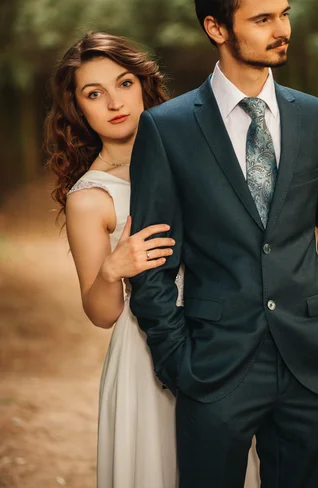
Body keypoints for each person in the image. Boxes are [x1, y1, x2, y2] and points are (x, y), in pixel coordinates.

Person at [129, 0, 318, 488]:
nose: (282, 30)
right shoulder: (166, 130)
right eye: (262, 19)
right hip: (215, 369)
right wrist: (178, 360)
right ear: (216, 27)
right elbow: (153, 262)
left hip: (313, 365)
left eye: (283, 13)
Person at [45, 31, 261, 487]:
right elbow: (102, 314)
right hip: (146, 356)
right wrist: (111, 270)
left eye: (124, 83)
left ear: (144, 84)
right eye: (93, 93)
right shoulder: (91, 197)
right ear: (78, 109)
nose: (113, 102)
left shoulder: (201, 149)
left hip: (224, 336)